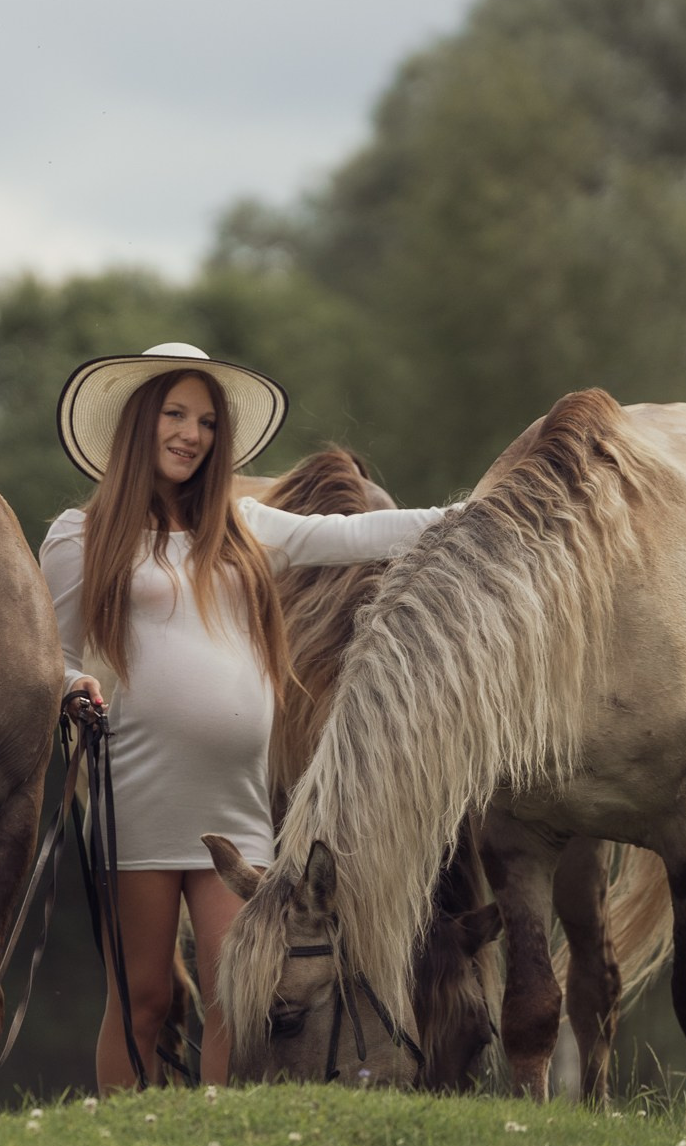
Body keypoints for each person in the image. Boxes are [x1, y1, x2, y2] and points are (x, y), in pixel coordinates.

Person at [41, 343, 452, 1088]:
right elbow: (54, 654)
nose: (190, 432)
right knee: (145, 997)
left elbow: (360, 535)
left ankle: (218, 1143)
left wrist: (475, 516)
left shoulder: (246, 526)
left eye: (204, 420)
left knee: (238, 996)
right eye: (174, 413)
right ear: (139, 422)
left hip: (236, 799)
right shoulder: (80, 536)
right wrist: (73, 687)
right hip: (136, 790)